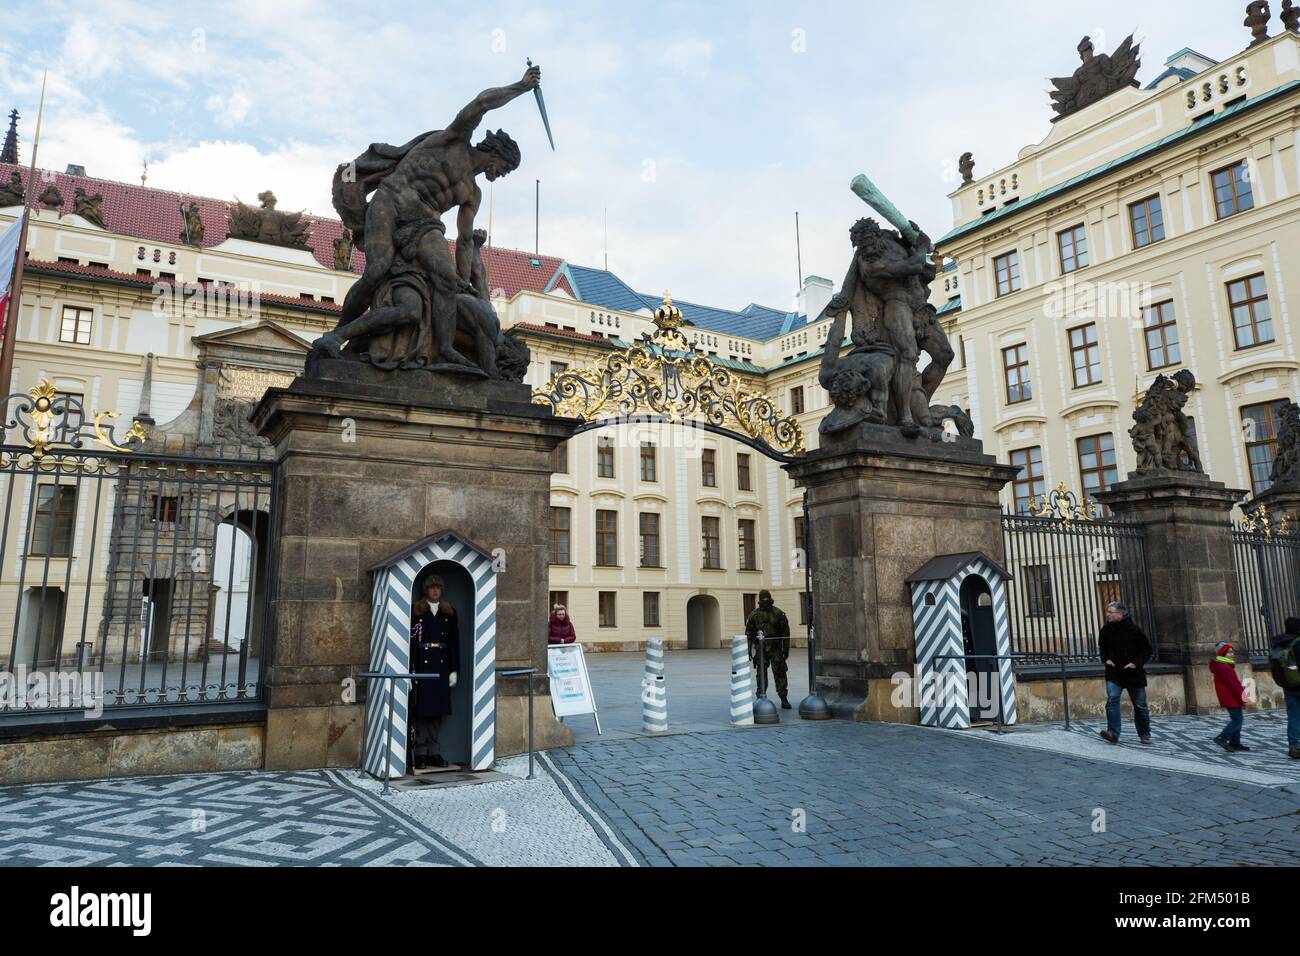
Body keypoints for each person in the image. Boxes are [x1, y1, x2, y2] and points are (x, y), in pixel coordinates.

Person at [409, 576, 460, 770]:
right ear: (426, 590)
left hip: (441, 666)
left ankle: (434, 751)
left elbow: (454, 643)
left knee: (437, 711)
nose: (435, 590)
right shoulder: (417, 610)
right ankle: (421, 752)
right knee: (422, 711)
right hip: (422, 665)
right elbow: (412, 640)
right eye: (432, 587)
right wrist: (410, 669)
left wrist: (454, 669)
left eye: (438, 587)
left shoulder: (449, 612)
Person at [1097, 601, 1153, 745]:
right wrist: (1106, 660)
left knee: (1140, 705)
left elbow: (1147, 650)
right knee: (1112, 700)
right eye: (1107, 611)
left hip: (1133, 673)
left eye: (1111, 612)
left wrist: (1135, 663)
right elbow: (1102, 648)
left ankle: (1144, 734)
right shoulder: (1105, 630)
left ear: (1120, 614)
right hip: (1113, 673)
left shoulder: (1135, 630)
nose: (1107, 614)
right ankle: (1113, 733)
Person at [745, 590, 792, 709]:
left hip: (776, 648)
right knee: (761, 674)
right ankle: (761, 696)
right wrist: (748, 649)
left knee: (780, 673)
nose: (765, 602)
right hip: (761, 649)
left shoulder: (778, 614)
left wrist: (785, 649)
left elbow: (785, 633)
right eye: (763, 600)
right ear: (760, 601)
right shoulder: (754, 615)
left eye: (767, 599)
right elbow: (749, 633)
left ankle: (783, 697)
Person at [1268, 617, 1300, 759]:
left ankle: (1294, 746)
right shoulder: (1297, 643)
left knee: (1293, 716)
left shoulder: (1280, 644)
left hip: (1288, 686)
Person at [1210, 641, 1249, 752]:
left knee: (1237, 719)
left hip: (1228, 698)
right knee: (1237, 721)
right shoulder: (1225, 668)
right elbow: (1235, 686)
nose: (1232, 654)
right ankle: (1222, 738)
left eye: (1232, 652)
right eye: (1229, 653)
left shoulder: (1222, 666)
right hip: (1231, 698)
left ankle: (1235, 743)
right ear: (1222, 655)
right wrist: (1244, 698)